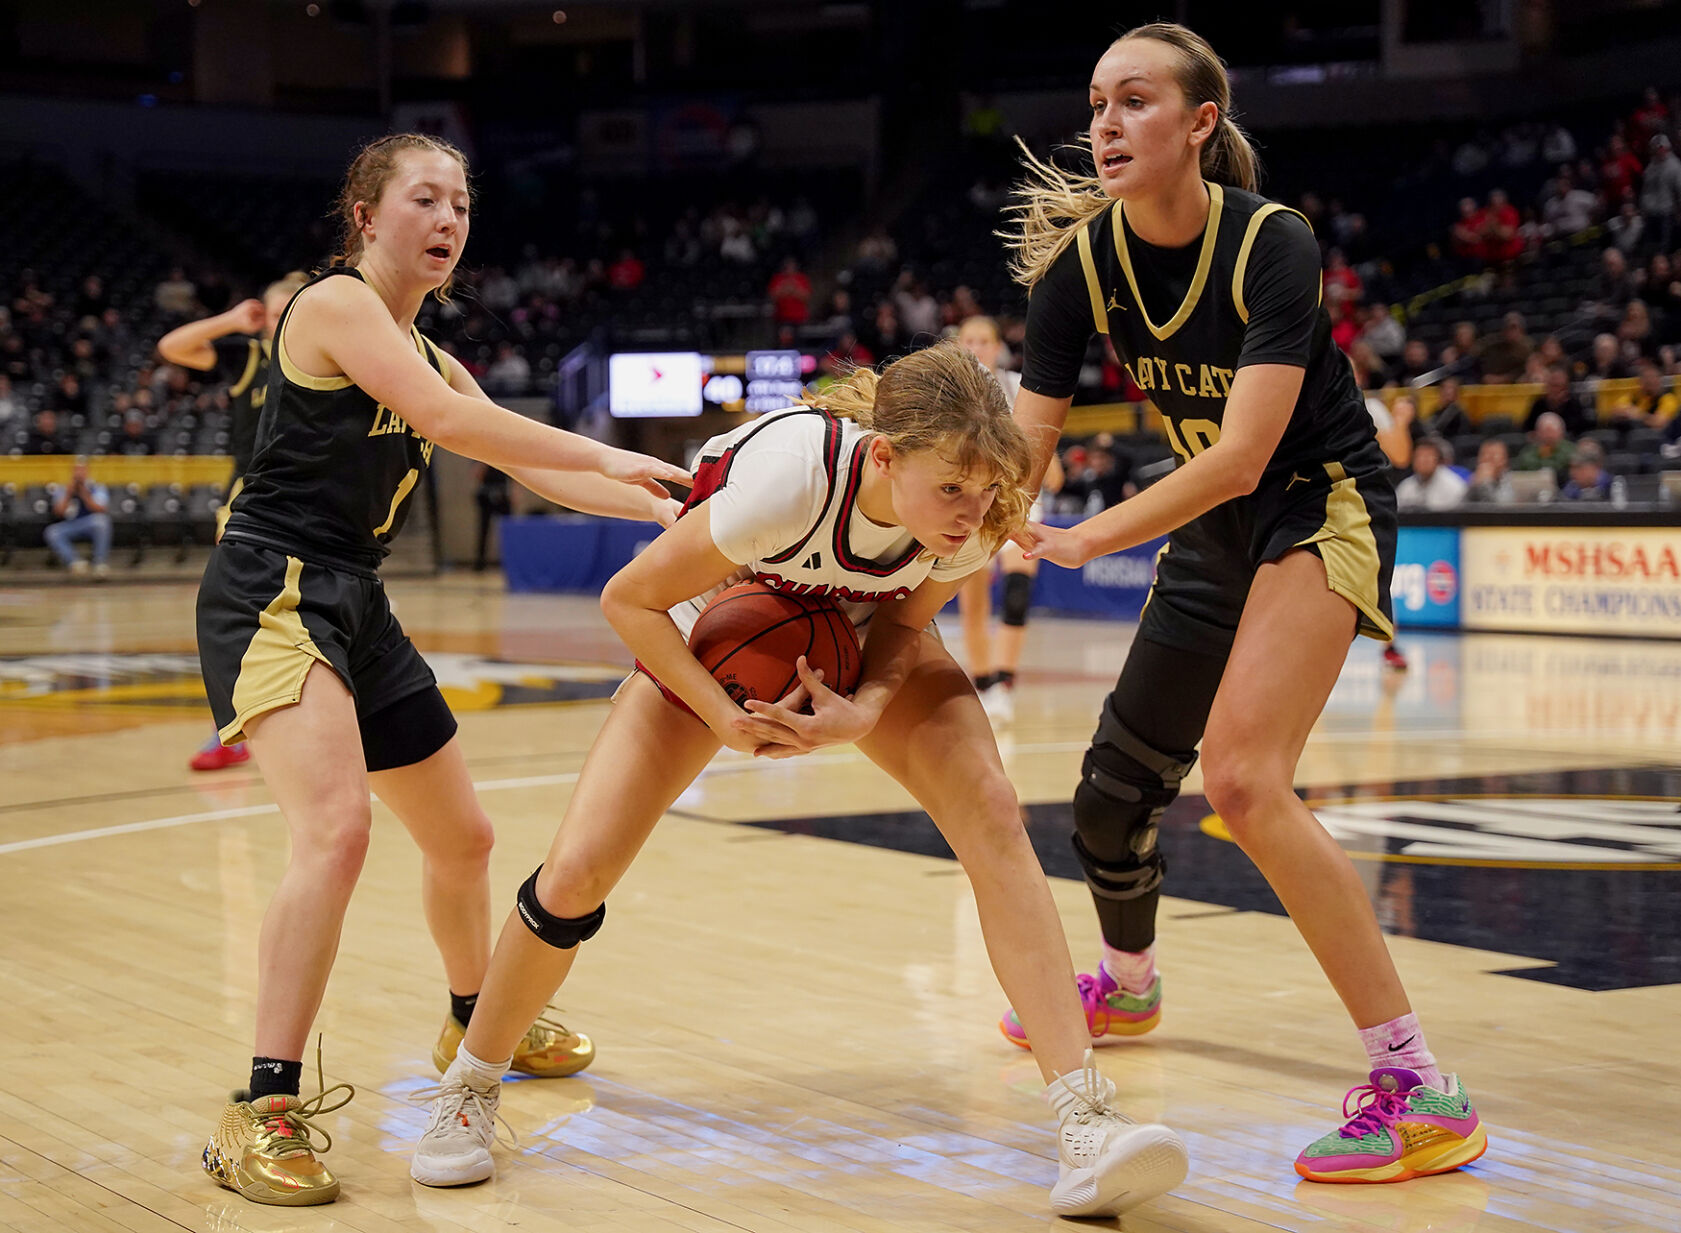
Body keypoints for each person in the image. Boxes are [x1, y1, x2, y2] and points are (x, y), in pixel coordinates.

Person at [408, 340, 1190, 1220]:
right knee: (578, 872)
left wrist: (865, 708)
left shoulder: (979, 507)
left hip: (854, 622)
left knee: (994, 818)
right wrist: (719, 715)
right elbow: (629, 599)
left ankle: (1084, 1119)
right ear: (884, 457)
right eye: (950, 492)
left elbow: (900, 629)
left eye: (982, 493)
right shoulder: (791, 480)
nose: (970, 515)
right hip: (716, 620)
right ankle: (469, 1087)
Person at [997, 22, 1486, 1184]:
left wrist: (1080, 540)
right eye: (1096, 104)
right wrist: (948, 509)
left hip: (1315, 504)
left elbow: (1241, 453)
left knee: (1244, 777)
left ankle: (1419, 1085)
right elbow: (1023, 449)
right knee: (1109, 802)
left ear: (1200, 123)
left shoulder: (1273, 240)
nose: (1105, 124)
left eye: (1134, 101)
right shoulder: (1081, 271)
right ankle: (1128, 988)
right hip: (1214, 536)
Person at [196, 133, 694, 1208]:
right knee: (334, 833)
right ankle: (262, 1106)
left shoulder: (430, 353)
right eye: (425, 199)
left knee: (462, 840)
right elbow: (451, 424)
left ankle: (474, 1016)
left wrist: (673, 504)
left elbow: (518, 460)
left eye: (461, 205)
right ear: (367, 216)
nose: (448, 221)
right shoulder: (333, 306)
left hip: (356, 600)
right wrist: (610, 450)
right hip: (272, 589)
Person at [158, 273, 310, 771]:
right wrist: (230, 320)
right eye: (275, 307)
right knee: (239, 614)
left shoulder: (328, 359)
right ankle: (229, 731)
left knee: (316, 618)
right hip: (250, 505)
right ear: (261, 315)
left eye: (294, 305)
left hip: (315, 504)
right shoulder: (249, 358)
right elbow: (172, 346)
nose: (285, 314)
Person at [954, 314, 1065, 723]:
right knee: (973, 602)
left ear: (998, 347)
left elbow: (1052, 471)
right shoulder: (950, 395)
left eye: (984, 340)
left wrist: (1047, 461)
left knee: (1018, 589)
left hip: (1015, 501)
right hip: (968, 501)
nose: (976, 348)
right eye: (968, 340)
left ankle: (1003, 680)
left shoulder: (1020, 387)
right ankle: (984, 682)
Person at [44, 458, 110, 578]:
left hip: (90, 523)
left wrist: (84, 494)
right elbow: (59, 512)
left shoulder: (96, 487)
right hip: (71, 525)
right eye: (77, 470)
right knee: (52, 532)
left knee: (102, 522)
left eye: (82, 470)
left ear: (87, 471)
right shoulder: (63, 489)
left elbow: (101, 509)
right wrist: (68, 495)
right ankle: (75, 562)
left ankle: (99, 563)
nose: (79, 473)